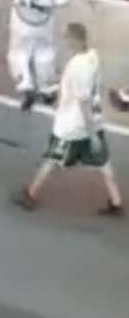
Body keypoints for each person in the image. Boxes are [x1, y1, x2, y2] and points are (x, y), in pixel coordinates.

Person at [13, 23, 123, 215]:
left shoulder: (76, 66)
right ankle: (116, 201)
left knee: (52, 159)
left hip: (74, 126)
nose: (65, 41)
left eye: (67, 38)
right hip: (94, 120)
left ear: (74, 40)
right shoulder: (93, 56)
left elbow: (82, 101)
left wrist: (90, 134)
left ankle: (30, 195)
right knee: (103, 163)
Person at [4, 0, 70, 111]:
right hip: (43, 21)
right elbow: (61, 0)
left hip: (21, 17)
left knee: (19, 52)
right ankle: (47, 88)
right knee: (44, 53)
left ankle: (25, 83)